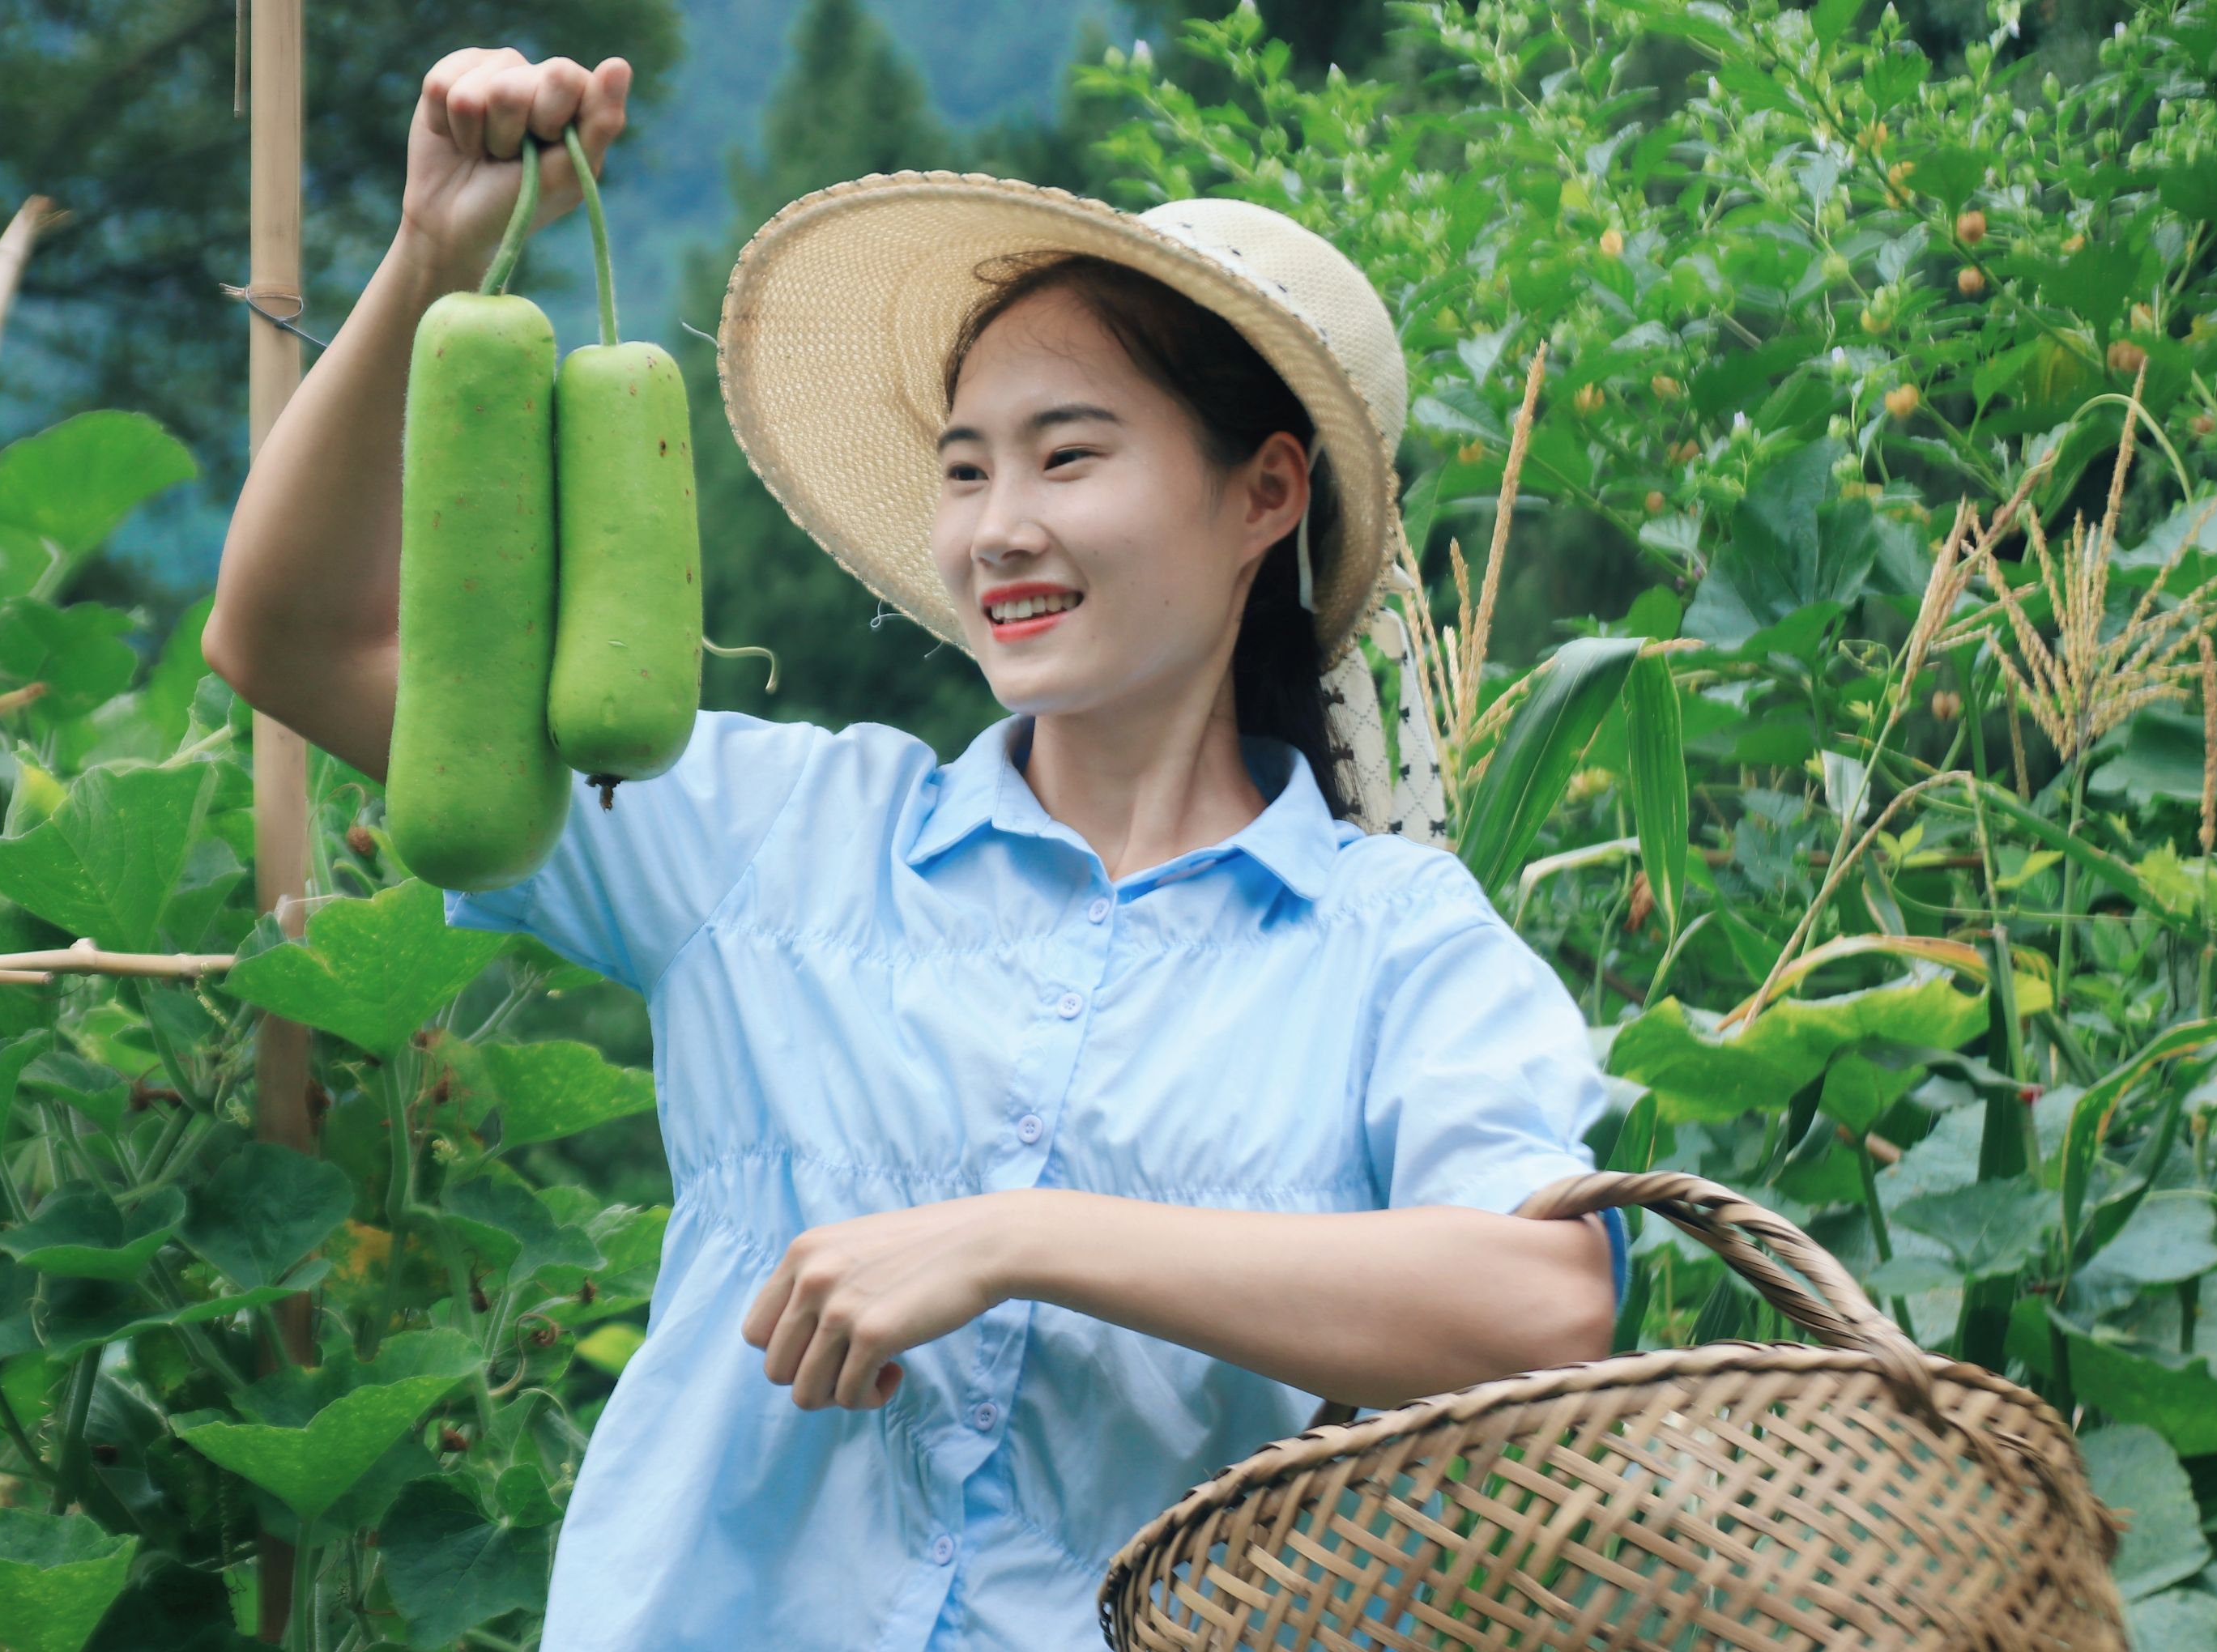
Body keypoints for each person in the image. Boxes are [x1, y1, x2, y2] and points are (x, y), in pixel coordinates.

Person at [206, 46, 1629, 1652]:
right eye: (966, 467)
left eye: (1069, 456)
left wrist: (1021, 1242)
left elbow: (1548, 1307)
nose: (998, 526)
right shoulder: (771, 839)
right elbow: (291, 640)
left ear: (1263, 495)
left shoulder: (1398, 944)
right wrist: (432, 262)